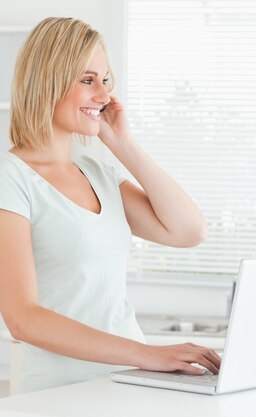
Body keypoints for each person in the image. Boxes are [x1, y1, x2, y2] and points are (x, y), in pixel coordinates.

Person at [0, 17, 221, 393]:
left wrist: (121, 143)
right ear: (48, 81)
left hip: (127, 382)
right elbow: (24, 318)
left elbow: (188, 232)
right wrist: (147, 354)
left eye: (105, 80)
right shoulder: (11, 178)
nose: (103, 95)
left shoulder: (97, 170)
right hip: (59, 394)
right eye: (87, 80)